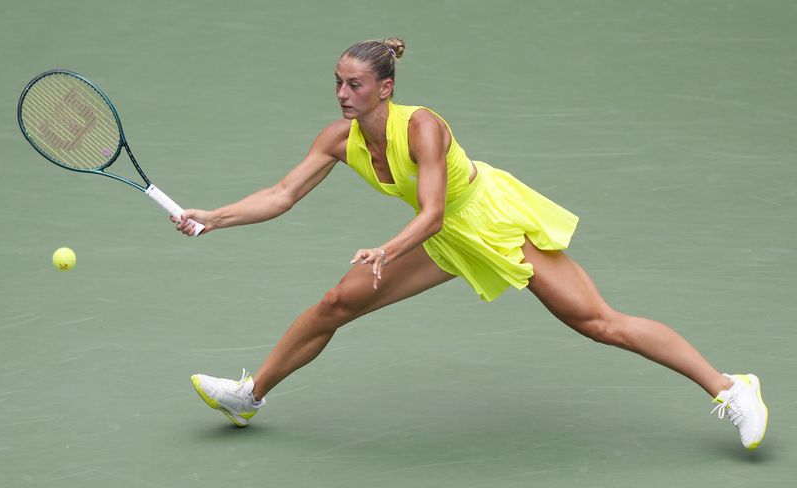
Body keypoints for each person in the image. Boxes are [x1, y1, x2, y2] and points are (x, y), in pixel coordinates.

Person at [174, 38, 768, 450]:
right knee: (336, 303)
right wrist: (214, 217)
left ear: (386, 88)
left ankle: (730, 389)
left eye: (354, 85)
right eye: (337, 83)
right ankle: (249, 395)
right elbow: (281, 194)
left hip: (489, 220)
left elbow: (432, 212)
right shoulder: (338, 139)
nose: (342, 95)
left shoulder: (423, 126)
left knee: (598, 322)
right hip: (439, 238)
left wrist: (387, 248)